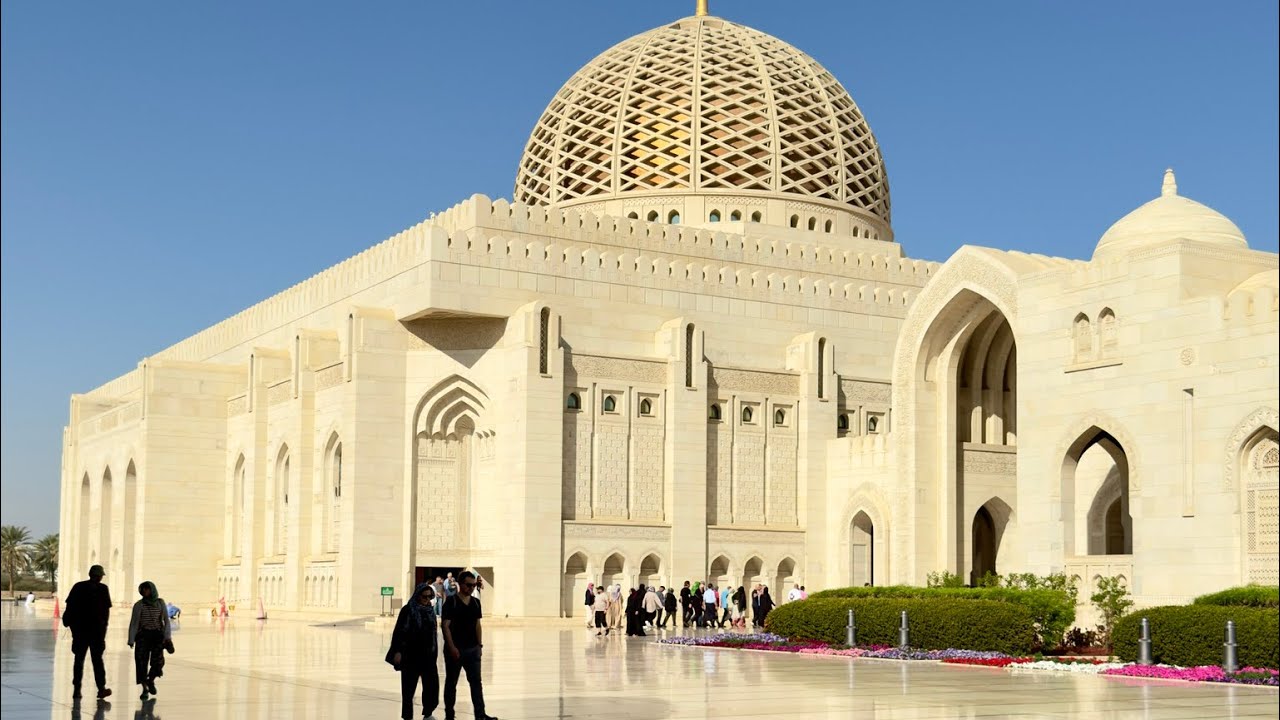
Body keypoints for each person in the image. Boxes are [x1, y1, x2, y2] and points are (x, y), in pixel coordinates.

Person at [441, 571, 496, 720]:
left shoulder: (476, 602)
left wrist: (480, 645)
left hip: (472, 649)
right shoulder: (451, 602)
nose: (471, 588)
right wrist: (451, 647)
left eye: (474, 585)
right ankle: (449, 714)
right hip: (455, 650)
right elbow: (445, 626)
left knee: (476, 683)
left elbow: (478, 625)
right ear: (460, 584)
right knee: (451, 683)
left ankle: (480, 714)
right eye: (468, 585)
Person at [389, 582, 440, 720]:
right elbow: (399, 632)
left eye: (430, 597)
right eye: (424, 597)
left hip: (428, 656)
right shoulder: (408, 610)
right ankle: (407, 716)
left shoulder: (430, 611)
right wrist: (398, 651)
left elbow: (433, 633)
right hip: (410, 655)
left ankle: (428, 713)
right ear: (417, 595)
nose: (427, 600)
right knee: (408, 689)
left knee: (431, 687)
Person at [62, 565, 113, 700]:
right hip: (95, 632)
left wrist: (71, 626)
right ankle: (101, 688)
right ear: (99, 576)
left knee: (79, 660)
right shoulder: (102, 589)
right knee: (97, 661)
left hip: (81, 631)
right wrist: (103, 633)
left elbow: (69, 608)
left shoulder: (78, 587)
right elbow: (105, 613)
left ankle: (77, 689)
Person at [126, 581, 172, 700]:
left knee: (158, 662)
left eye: (146, 589)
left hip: (157, 636)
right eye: (142, 590)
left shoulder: (160, 603)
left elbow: (166, 621)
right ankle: (145, 689)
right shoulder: (139, 605)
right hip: (143, 637)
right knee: (141, 663)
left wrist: (167, 637)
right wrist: (131, 639)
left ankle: (150, 680)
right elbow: (134, 623)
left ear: (152, 590)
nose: (144, 592)